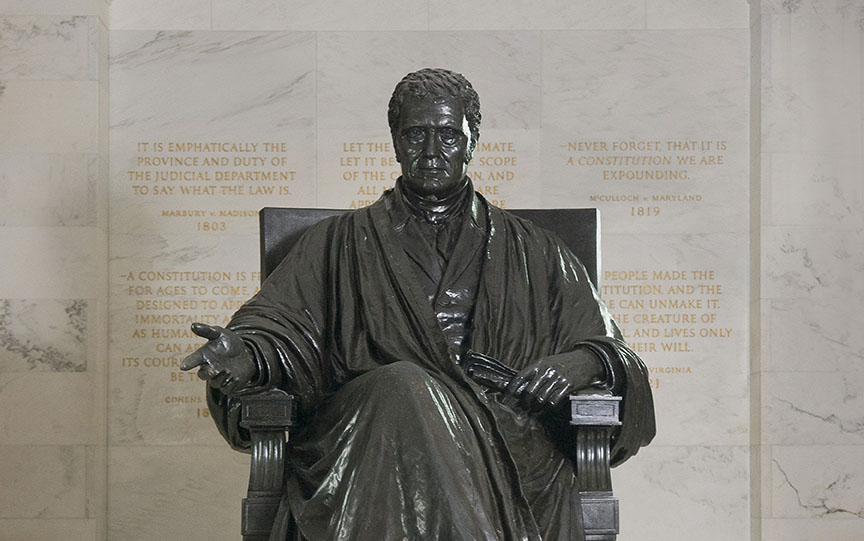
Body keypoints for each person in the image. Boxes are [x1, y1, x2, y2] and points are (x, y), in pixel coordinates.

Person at [181, 68, 655, 541]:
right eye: (416, 134)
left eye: (449, 135)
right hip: (367, 430)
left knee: (406, 388)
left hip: (505, 439)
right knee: (401, 384)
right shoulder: (335, 243)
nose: (431, 151)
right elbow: (280, 326)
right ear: (395, 141)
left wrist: (583, 361)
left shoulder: (538, 251)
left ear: (472, 142)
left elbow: (616, 354)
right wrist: (246, 355)